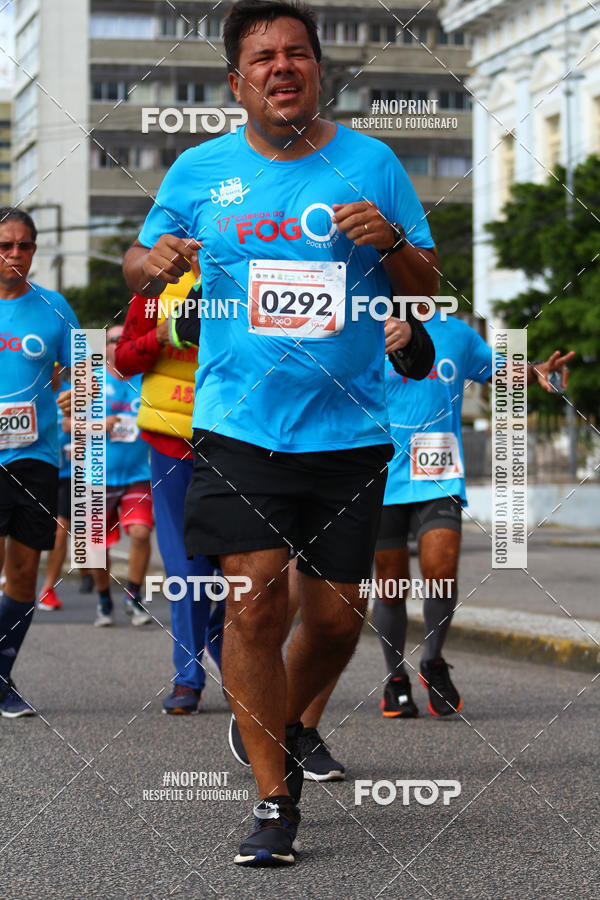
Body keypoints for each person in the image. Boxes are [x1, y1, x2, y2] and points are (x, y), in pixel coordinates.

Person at [123, 0, 438, 867]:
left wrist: (392, 241)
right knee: (256, 597)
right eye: (264, 58)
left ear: (317, 69)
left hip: (348, 428)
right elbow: (142, 257)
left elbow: (426, 277)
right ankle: (273, 797)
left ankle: (287, 725)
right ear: (238, 81)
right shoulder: (198, 169)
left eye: (297, 54)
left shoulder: (371, 163)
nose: (282, 68)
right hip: (236, 422)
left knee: (337, 624)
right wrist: (154, 266)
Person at [374, 313, 575, 717]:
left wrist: (537, 371)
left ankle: (433, 660)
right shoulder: (367, 325)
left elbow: (501, 371)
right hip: (382, 477)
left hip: (439, 476)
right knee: (391, 586)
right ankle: (395, 678)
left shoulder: (456, 333)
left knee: (442, 570)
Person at [115, 274, 224, 713]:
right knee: (185, 570)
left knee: (251, 569)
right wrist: (160, 335)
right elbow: (122, 362)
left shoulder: (249, 267)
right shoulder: (154, 286)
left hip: (238, 442)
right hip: (170, 445)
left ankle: (228, 650)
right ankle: (188, 676)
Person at [0, 207, 79, 717]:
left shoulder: (53, 308)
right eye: (5, 246)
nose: (14, 255)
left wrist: (75, 395)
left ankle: (2, 676)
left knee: (24, 574)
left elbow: (84, 371)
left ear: (35, 249)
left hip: (34, 455)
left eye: (23, 246)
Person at [91, 325, 154, 627]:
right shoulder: (90, 381)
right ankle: (104, 599)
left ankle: (133, 596)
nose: (119, 344)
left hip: (138, 474)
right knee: (97, 545)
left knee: (141, 533)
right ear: (104, 349)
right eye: (114, 340)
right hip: (97, 475)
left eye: (125, 339)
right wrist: (99, 425)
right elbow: (66, 427)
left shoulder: (146, 380)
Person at [37, 364, 71, 611]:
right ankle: (9, 578)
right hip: (34, 469)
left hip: (66, 473)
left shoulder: (73, 393)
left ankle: (48, 588)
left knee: (61, 529)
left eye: (57, 367)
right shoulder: (30, 392)